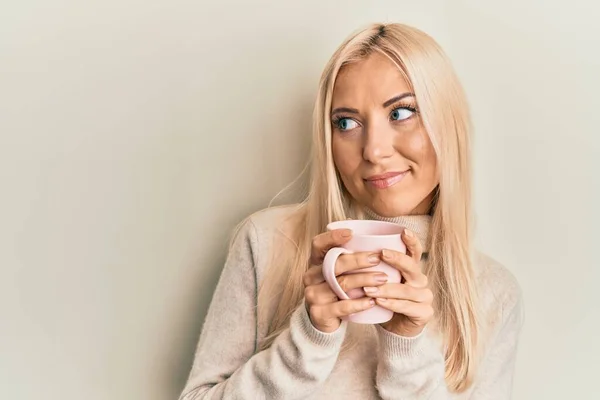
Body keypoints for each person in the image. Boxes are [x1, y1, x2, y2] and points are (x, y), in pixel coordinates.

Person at [179, 22, 523, 399]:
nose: (374, 150)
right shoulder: (266, 242)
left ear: (448, 122)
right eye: (347, 123)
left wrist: (406, 351)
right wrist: (307, 341)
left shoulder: (492, 293)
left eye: (401, 113)